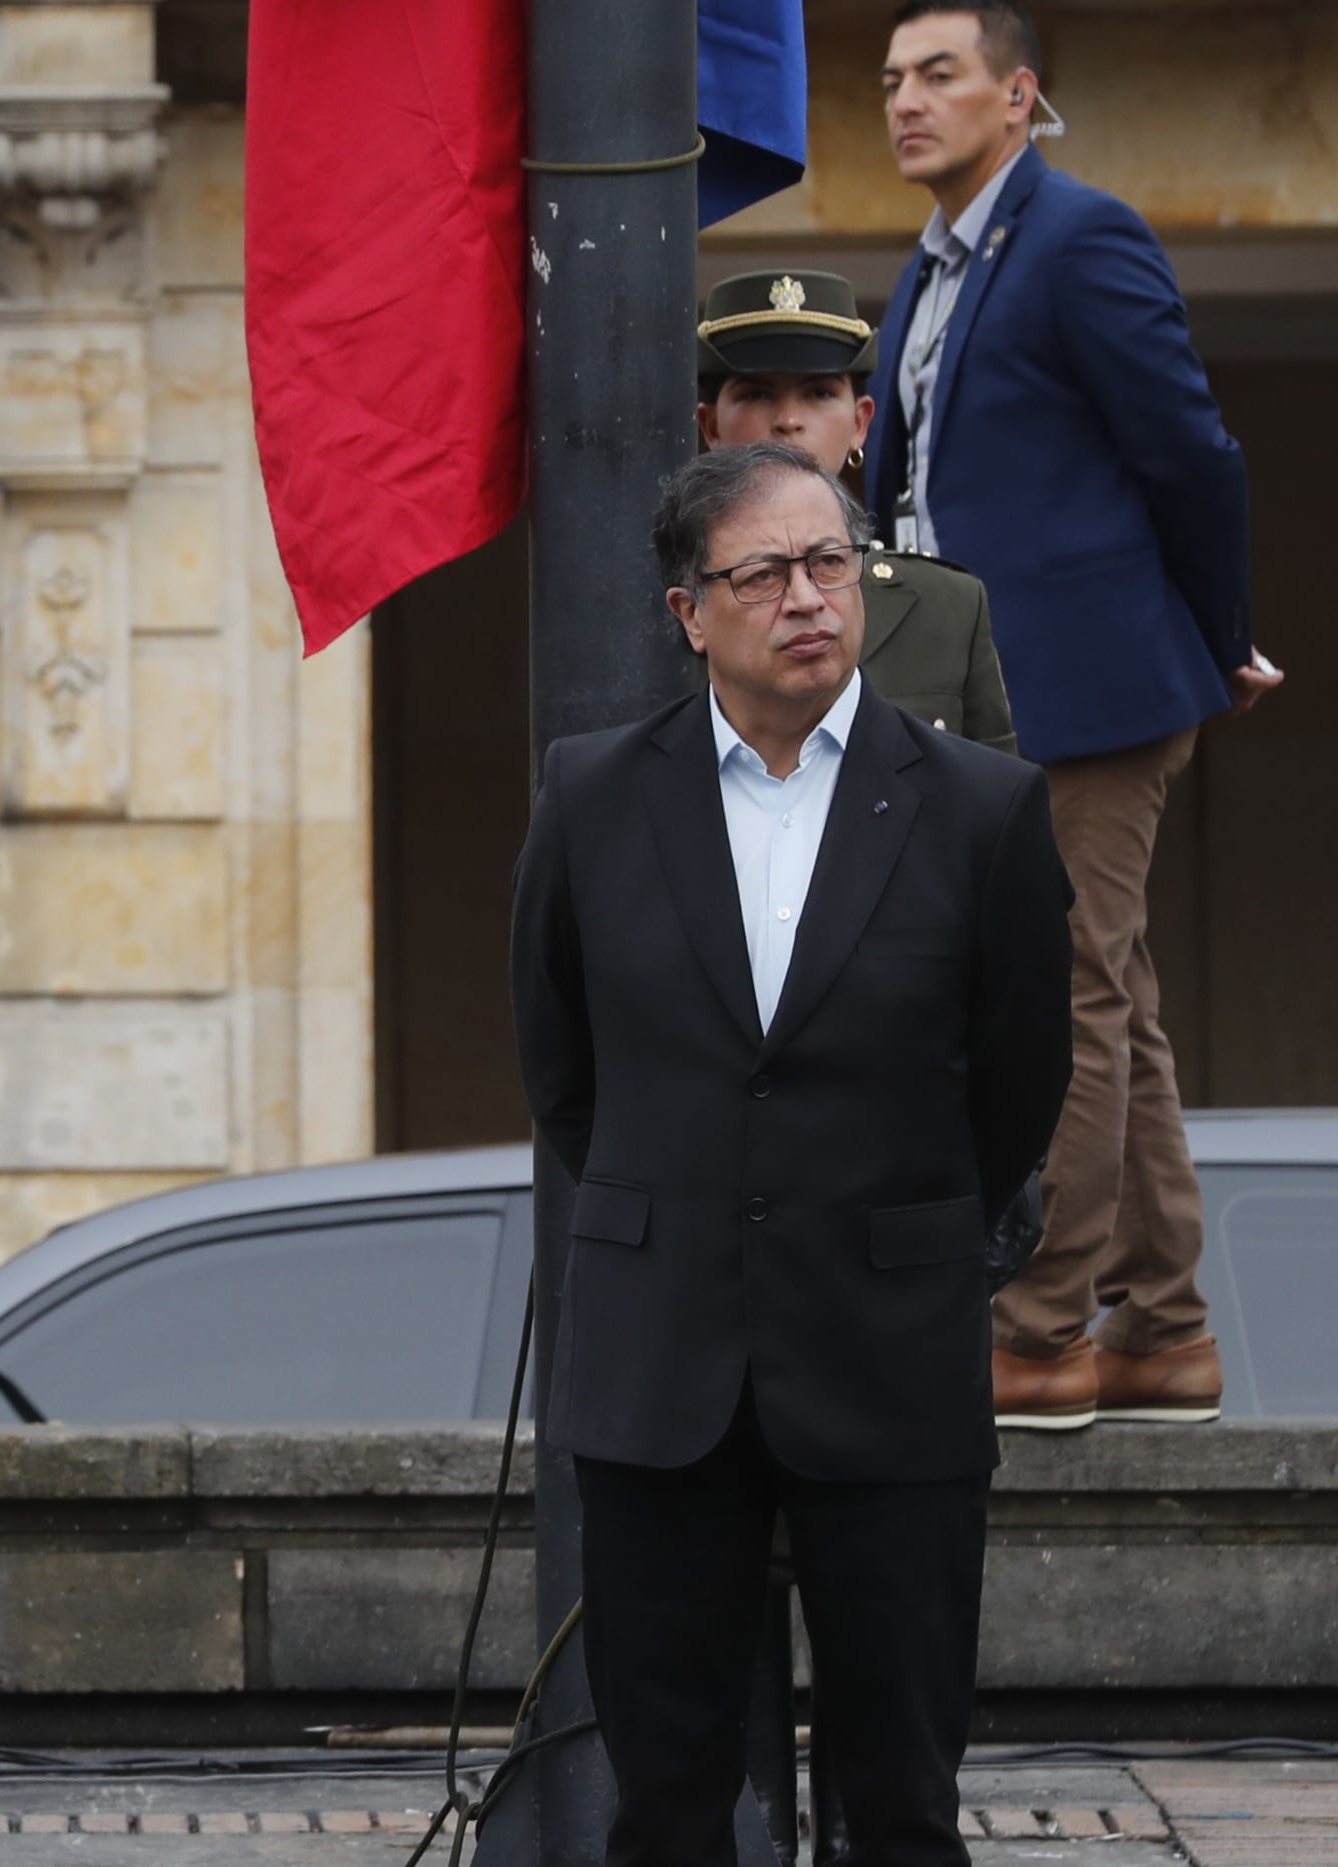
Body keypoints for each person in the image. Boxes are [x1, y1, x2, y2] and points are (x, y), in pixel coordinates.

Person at [510, 444, 1073, 1865]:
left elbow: (1021, 1077)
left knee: (900, 1803)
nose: (810, 598)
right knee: (670, 1803)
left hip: (889, 1343)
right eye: (764, 574)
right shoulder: (591, 796)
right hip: (661, 1356)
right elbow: (564, 1068)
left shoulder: (978, 807)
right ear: (690, 610)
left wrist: (905, 1222)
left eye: (832, 563)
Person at [869, 0, 1283, 1429]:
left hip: (1085, 690)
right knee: (1116, 996)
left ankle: (1041, 1331)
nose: (907, 101)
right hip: (969, 693)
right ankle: (1164, 1327)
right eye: (893, 80)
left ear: (1016, 93)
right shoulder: (929, 269)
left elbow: (1194, 451)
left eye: (939, 75)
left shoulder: (1079, 236)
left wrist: (1214, 637)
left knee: (1062, 1000)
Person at [697, 268, 1015, 753]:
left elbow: (996, 815)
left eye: (819, 393)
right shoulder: (656, 607)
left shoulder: (947, 608)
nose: (788, 421)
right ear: (711, 427)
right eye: (757, 394)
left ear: (861, 423)